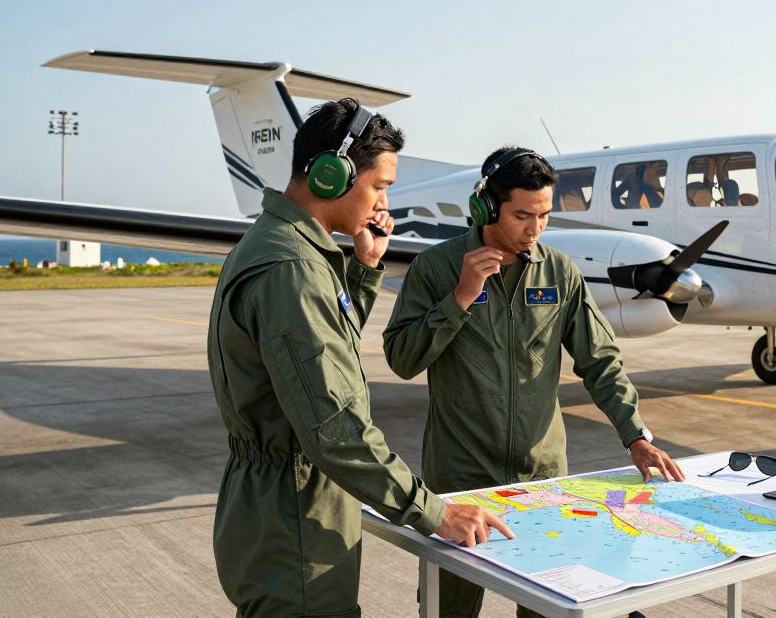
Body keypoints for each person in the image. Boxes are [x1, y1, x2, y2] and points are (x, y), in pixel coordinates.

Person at [207, 98, 511, 618]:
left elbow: (322, 352)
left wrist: (364, 269)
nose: (383, 203)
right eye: (381, 185)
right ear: (330, 175)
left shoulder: (287, 248)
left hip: (283, 509)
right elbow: (334, 425)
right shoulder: (292, 270)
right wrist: (432, 512)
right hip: (297, 520)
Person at [383, 145, 685, 618]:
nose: (535, 229)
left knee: (548, 605)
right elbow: (401, 359)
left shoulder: (559, 273)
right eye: (523, 215)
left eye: (544, 215)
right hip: (463, 481)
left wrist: (636, 435)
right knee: (451, 607)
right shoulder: (437, 269)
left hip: (543, 479)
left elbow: (600, 360)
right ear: (486, 207)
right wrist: (460, 298)